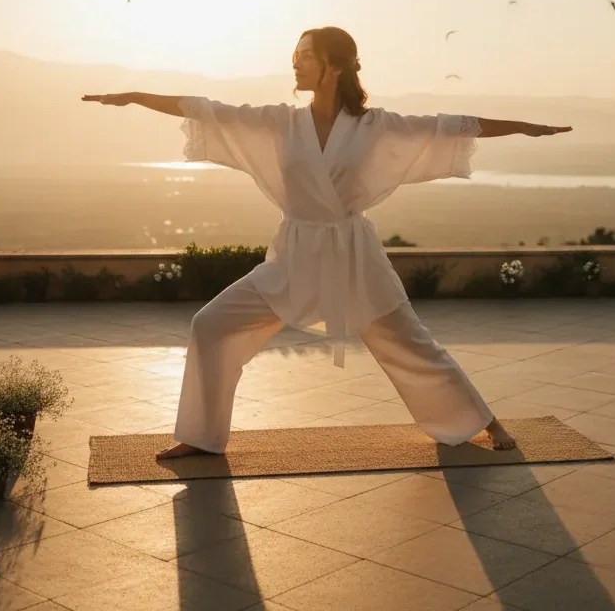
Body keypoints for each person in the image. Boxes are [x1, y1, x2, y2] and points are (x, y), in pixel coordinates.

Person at [82, 26, 571, 459]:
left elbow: (450, 126)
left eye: (305, 55)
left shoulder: (375, 126)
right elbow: (208, 111)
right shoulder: (282, 122)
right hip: (294, 258)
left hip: (354, 258)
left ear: (334, 66)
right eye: (295, 55)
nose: (295, 63)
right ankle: (201, 436)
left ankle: (485, 422)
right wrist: (137, 96)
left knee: (412, 345)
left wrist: (525, 128)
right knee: (210, 325)